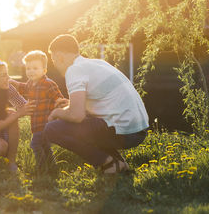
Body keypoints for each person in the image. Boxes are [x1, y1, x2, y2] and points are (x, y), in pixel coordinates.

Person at [45, 34, 149, 174]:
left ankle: (108, 163)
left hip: (125, 133)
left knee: (52, 129)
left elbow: (77, 116)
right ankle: (119, 163)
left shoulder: (74, 70)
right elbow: (101, 103)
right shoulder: (98, 63)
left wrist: (57, 112)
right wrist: (70, 105)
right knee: (91, 124)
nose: (54, 63)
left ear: (60, 56)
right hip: (138, 130)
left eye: (53, 59)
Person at [10, 50, 63, 170]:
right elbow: (23, 88)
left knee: (35, 144)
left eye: (35, 68)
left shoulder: (48, 84)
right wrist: (13, 82)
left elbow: (59, 98)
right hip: (36, 124)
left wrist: (60, 105)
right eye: (28, 68)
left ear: (44, 70)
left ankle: (41, 168)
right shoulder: (31, 83)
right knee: (44, 146)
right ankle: (52, 167)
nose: (31, 71)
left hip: (47, 123)